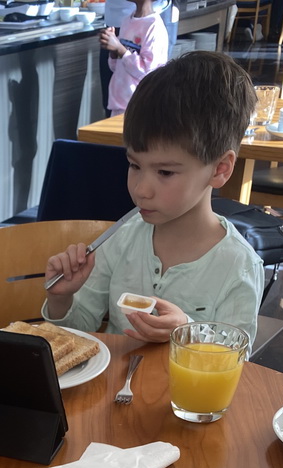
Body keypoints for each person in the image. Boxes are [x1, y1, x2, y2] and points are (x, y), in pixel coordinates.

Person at [42, 51, 265, 347]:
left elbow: (236, 361)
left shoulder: (239, 266)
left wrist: (187, 331)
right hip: (113, 388)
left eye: (165, 172)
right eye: (134, 165)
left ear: (220, 169)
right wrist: (63, 299)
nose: (141, 189)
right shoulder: (121, 238)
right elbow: (80, 332)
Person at [100, 0, 169, 116]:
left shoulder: (154, 27)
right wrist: (112, 50)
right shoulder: (127, 21)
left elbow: (148, 73)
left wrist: (119, 48)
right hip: (119, 103)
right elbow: (116, 67)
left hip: (140, 106)